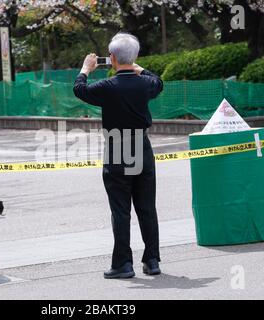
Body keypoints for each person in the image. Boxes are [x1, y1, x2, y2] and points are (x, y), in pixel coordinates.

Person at [73, 33, 164, 279]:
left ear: (111, 58)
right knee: (147, 207)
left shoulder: (107, 86)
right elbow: (157, 81)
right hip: (142, 147)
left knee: (121, 210)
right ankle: (152, 260)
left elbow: (80, 90)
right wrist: (136, 65)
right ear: (134, 58)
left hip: (117, 148)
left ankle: (123, 263)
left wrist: (85, 68)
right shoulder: (145, 83)